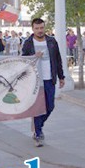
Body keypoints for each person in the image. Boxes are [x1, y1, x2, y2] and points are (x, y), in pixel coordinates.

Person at [21, 18, 65, 147]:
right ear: (33, 29)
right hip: (35, 80)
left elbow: (58, 59)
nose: (40, 31)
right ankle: (38, 133)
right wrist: (34, 56)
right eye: (37, 28)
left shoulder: (51, 41)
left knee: (50, 106)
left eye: (41, 28)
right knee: (37, 107)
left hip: (49, 78)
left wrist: (61, 77)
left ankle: (37, 125)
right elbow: (23, 60)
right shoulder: (28, 43)